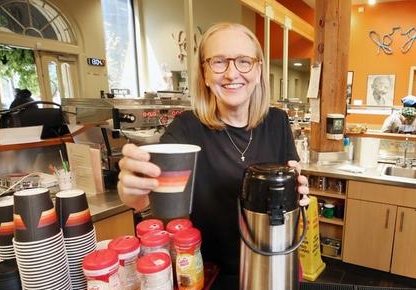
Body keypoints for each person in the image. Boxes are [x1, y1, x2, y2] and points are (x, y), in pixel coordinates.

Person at [117, 23, 309, 274]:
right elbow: (152, 194)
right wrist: (134, 193)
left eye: (244, 61)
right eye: (219, 62)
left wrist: (298, 193)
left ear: (258, 70)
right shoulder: (186, 128)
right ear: (205, 73)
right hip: (207, 272)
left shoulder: (277, 121)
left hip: (271, 263)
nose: (231, 73)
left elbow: (291, 187)